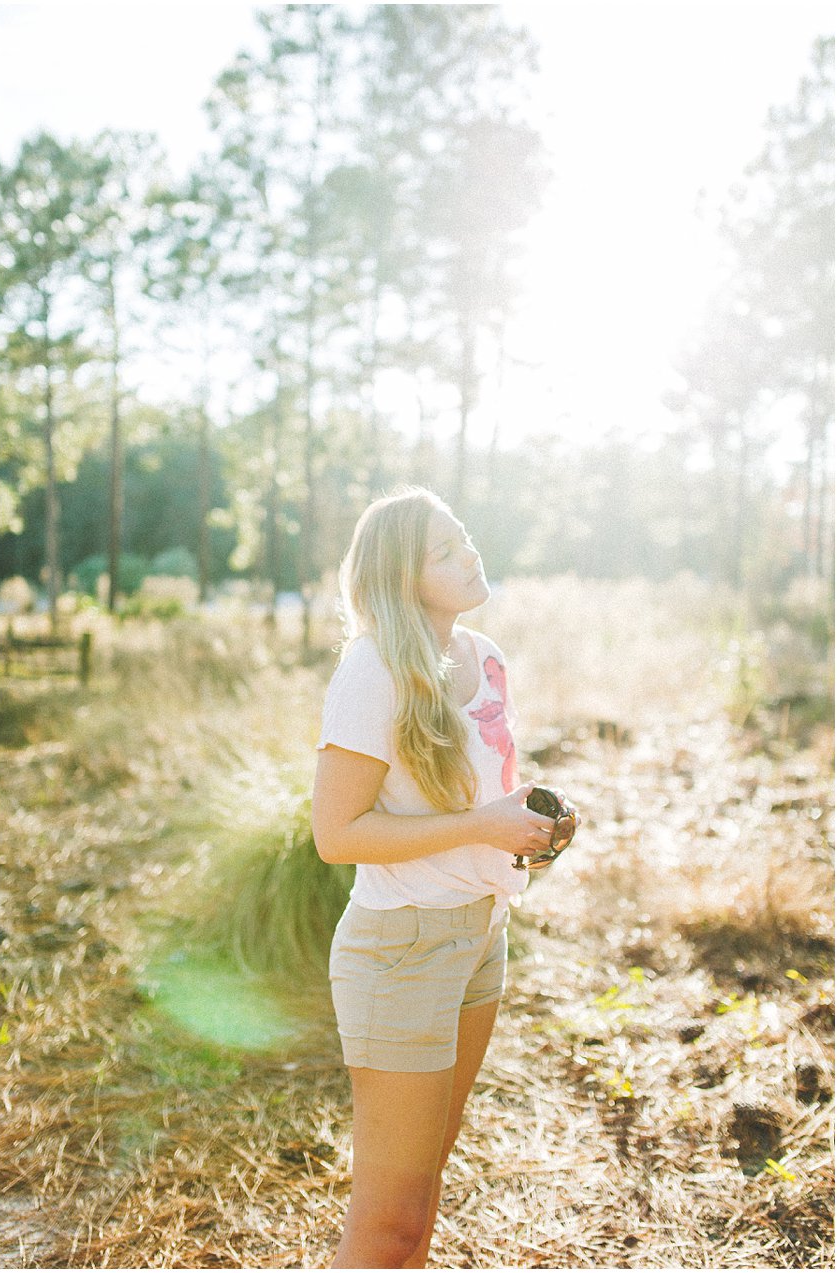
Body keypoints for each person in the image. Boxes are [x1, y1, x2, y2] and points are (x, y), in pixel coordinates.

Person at [311, 486, 577, 1269]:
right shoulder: (372, 670)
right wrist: (479, 826)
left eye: (464, 537)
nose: (469, 554)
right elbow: (335, 834)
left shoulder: (484, 656)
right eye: (443, 550)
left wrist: (537, 828)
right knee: (388, 1224)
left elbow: (487, 796)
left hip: (479, 938)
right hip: (401, 949)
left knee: (422, 1195)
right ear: (401, 576)